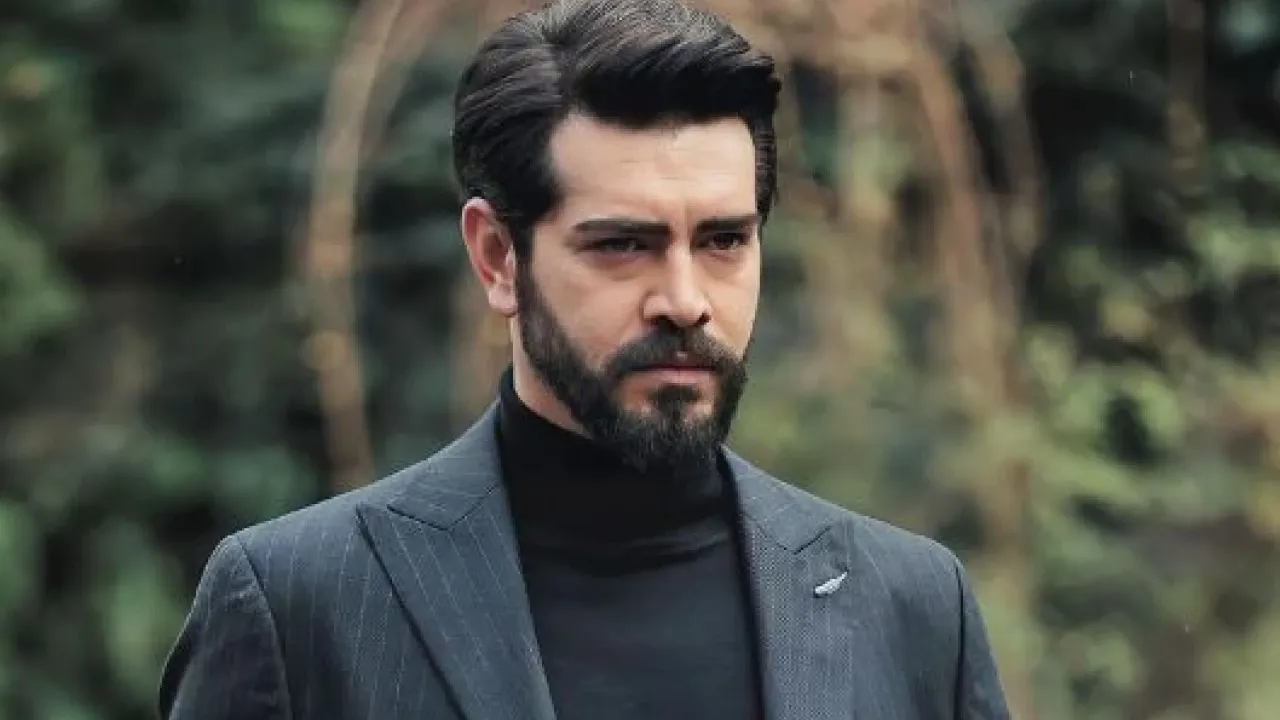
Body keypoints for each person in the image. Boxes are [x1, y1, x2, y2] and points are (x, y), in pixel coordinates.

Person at [158, 0, 1011, 718]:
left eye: (723, 240)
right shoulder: (299, 605)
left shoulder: (911, 606)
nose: (685, 299)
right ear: (498, 257)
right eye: (622, 245)